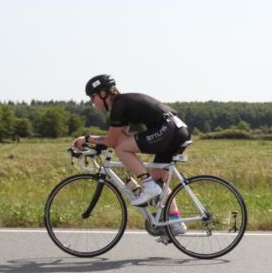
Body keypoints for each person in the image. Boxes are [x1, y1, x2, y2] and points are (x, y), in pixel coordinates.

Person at [73, 74, 189, 242]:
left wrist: (87, 139)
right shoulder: (123, 105)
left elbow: (114, 142)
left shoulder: (119, 106)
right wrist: (96, 143)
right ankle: (175, 221)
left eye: (93, 96)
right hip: (177, 129)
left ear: (104, 93)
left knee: (123, 150)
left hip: (168, 129)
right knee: (158, 177)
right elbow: (118, 137)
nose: (92, 101)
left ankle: (148, 186)